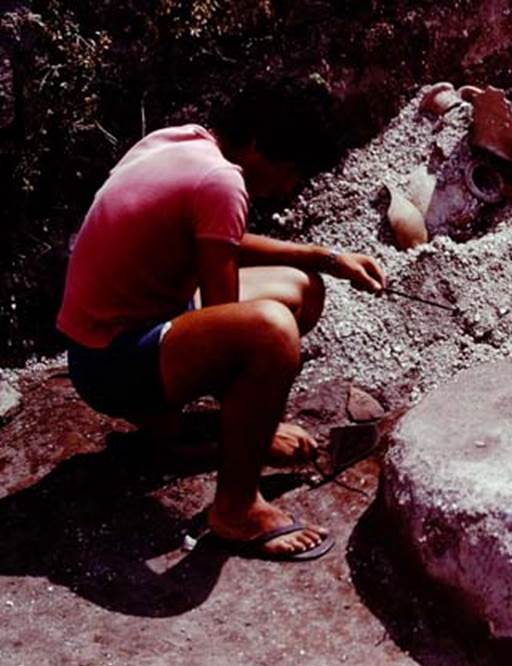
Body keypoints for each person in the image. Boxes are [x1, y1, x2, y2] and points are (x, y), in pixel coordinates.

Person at [56, 79, 386, 561]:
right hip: (115, 363)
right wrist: (260, 434)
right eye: (290, 169)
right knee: (271, 331)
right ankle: (236, 508)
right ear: (257, 144)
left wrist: (326, 258)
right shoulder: (224, 182)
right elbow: (225, 319)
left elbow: (218, 240)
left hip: (107, 344)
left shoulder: (180, 141)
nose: (290, 185)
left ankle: (167, 429)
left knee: (302, 286)